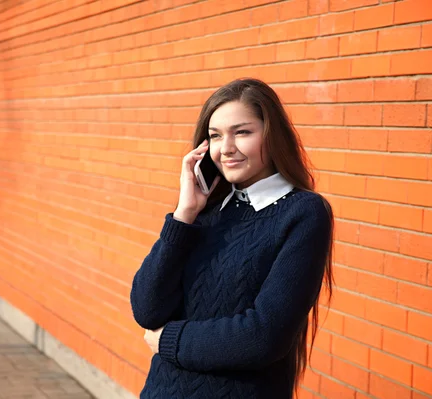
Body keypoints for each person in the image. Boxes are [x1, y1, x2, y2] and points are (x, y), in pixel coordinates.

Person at [130, 78, 334, 398]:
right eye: (215, 136)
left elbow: (263, 337)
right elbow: (146, 310)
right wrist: (183, 216)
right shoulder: (205, 209)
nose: (225, 148)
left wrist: (170, 340)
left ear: (272, 134)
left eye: (242, 132)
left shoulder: (303, 214)